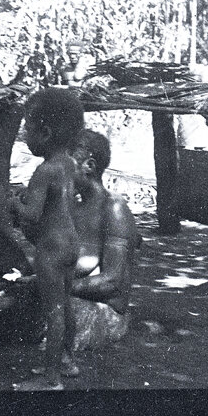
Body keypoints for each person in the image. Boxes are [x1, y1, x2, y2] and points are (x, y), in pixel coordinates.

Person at [7, 87, 85, 390]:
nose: (25, 135)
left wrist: (15, 202)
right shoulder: (69, 163)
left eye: (27, 129)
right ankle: (67, 361)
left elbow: (32, 215)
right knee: (65, 304)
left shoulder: (44, 170)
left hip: (50, 249)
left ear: (45, 132)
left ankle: (51, 379)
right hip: (71, 244)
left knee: (53, 311)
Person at [70, 129, 142, 314]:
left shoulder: (114, 209)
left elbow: (112, 281)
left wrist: (52, 286)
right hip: (76, 300)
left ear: (89, 166)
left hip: (106, 312)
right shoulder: (75, 207)